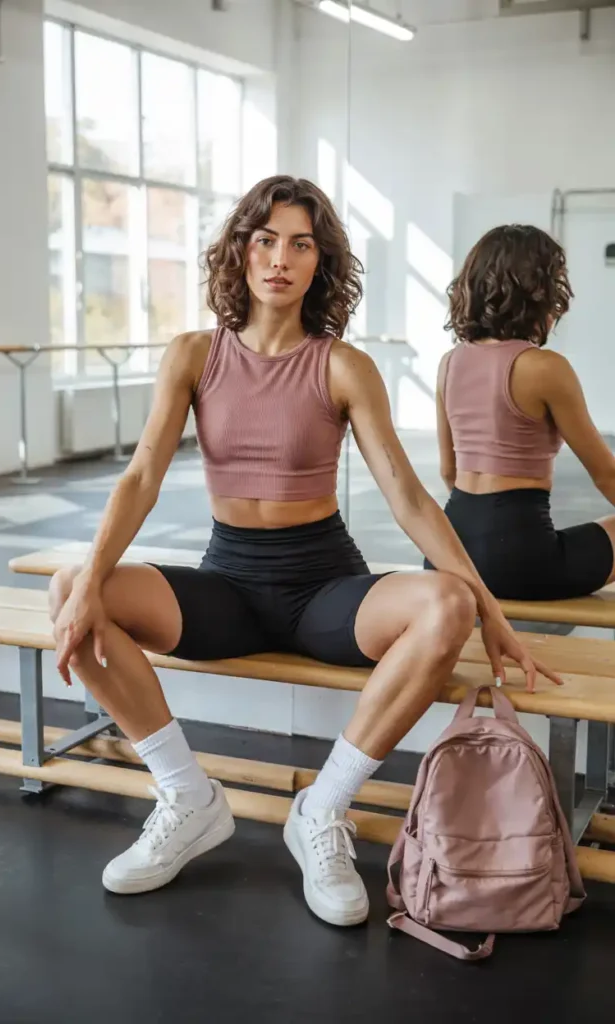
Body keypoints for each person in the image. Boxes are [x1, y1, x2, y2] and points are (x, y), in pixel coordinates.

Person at [50, 179, 559, 928]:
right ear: (240, 251)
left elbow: (412, 500)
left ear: (320, 262)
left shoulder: (343, 366)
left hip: (323, 590)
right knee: (71, 587)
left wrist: (489, 611)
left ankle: (320, 810)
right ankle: (188, 798)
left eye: (299, 244)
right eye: (265, 239)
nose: (279, 259)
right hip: (228, 585)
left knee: (444, 604)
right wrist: (93, 578)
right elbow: (141, 476)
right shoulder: (194, 355)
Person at [428, 223, 615, 601]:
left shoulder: (449, 363)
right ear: (540, 292)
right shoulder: (544, 367)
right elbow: (606, 474)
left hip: (448, 553)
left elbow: (449, 472)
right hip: (519, 558)